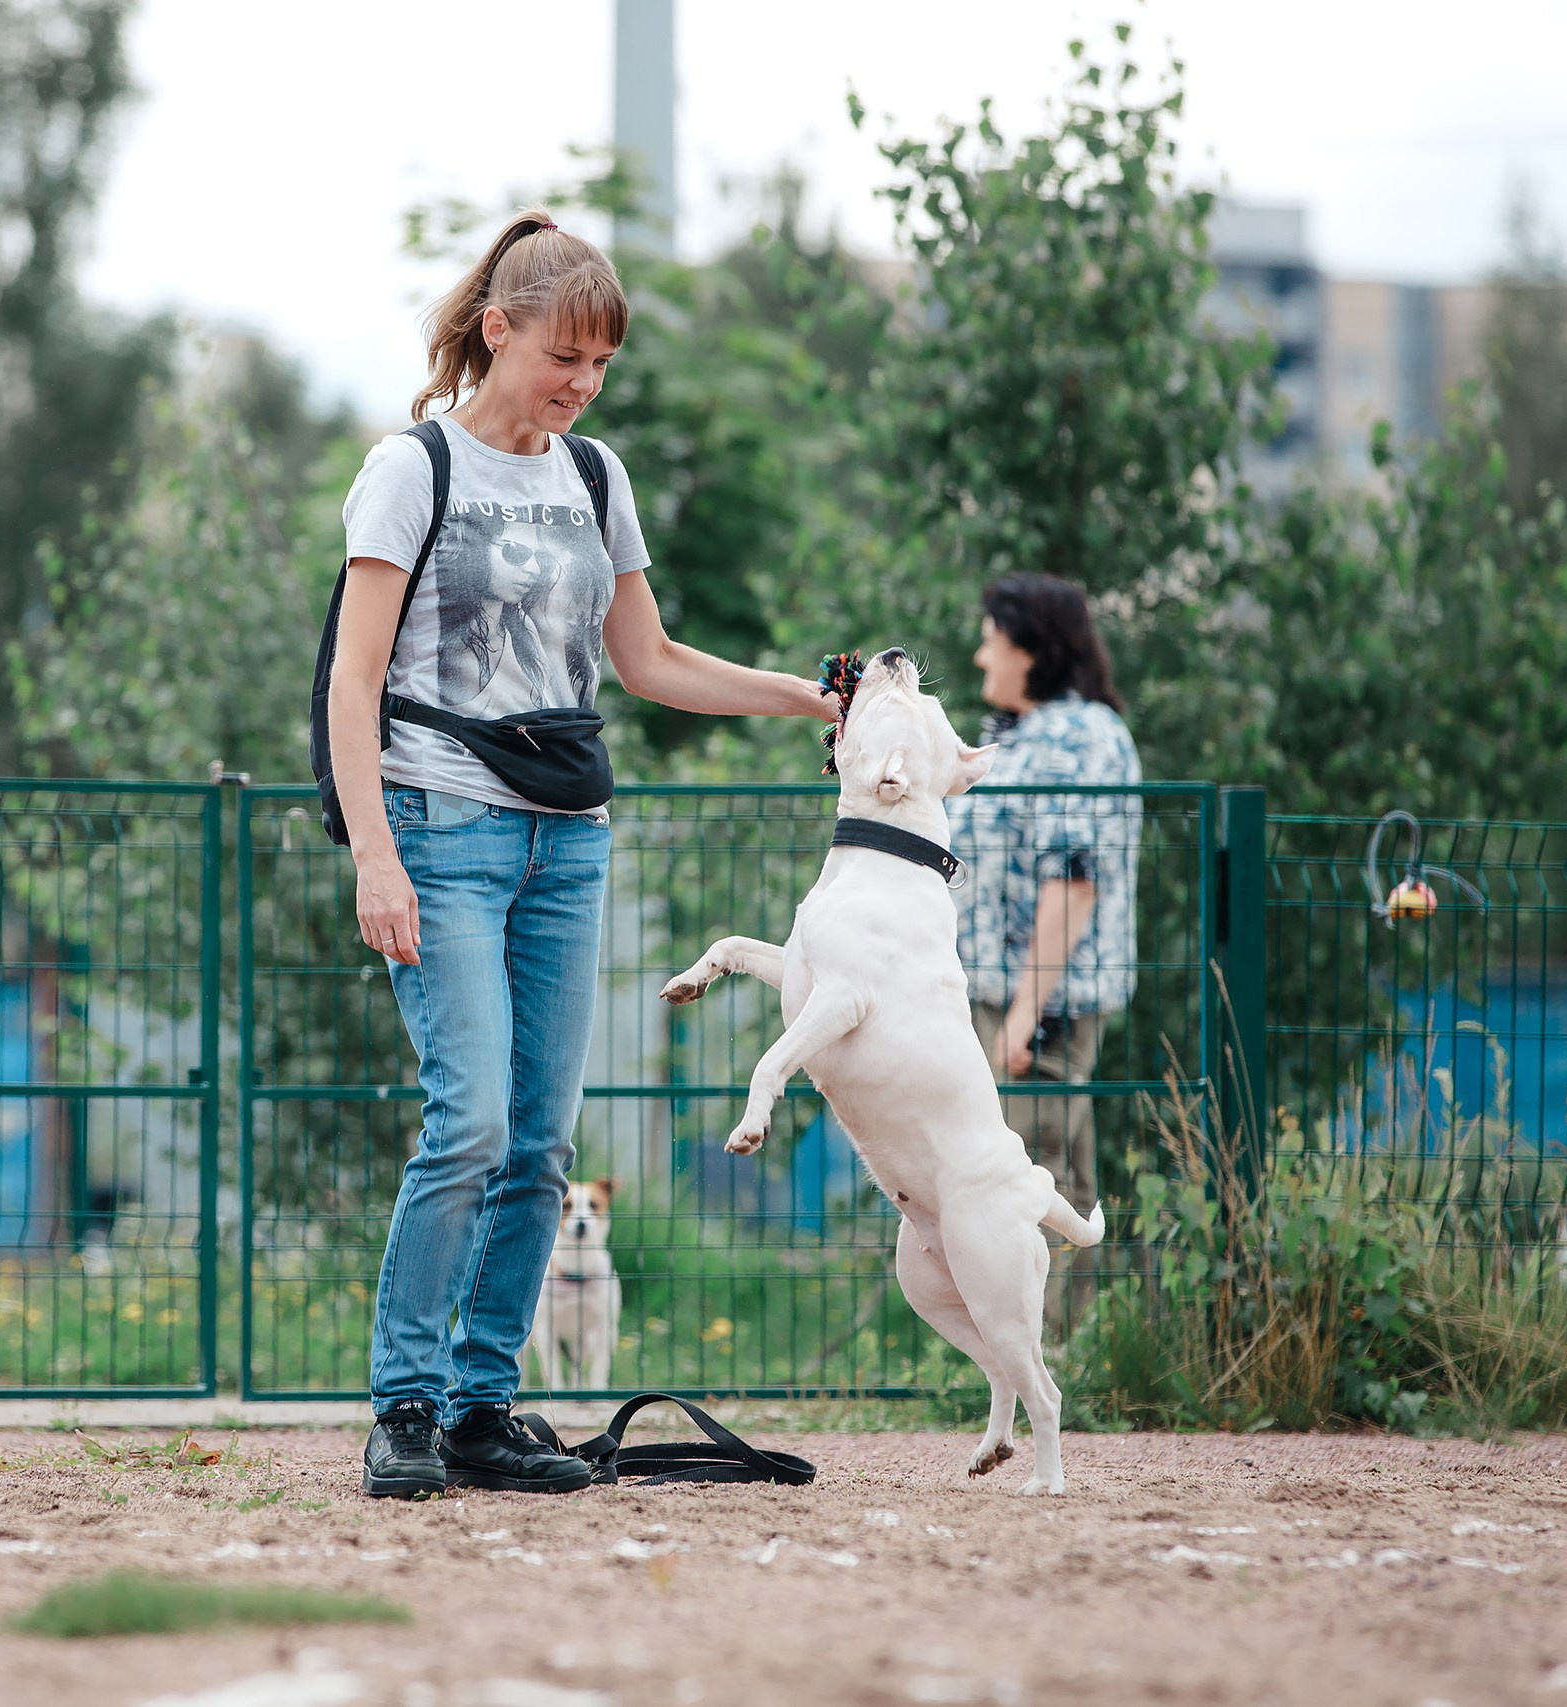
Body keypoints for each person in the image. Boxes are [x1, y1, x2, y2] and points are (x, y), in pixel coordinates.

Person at [325, 211, 836, 1499]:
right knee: (470, 1122)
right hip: (439, 829)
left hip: (571, 841)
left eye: (600, 366)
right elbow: (355, 676)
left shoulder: (593, 476)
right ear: (498, 331)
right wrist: (373, 856)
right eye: (565, 356)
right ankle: (406, 1406)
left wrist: (801, 696)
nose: (581, 384)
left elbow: (647, 660)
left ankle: (485, 1412)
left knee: (543, 1143)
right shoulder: (411, 468)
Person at [948, 574, 1142, 1239]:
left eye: (989, 641)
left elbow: (1075, 880)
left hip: (1040, 1009)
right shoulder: (1027, 735)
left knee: (1029, 1188)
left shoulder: (1076, 738)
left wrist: (1026, 1014)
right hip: (1006, 1000)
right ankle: (1071, 1343)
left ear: (1028, 650)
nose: (981, 657)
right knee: (1065, 1189)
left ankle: (1033, 1344)